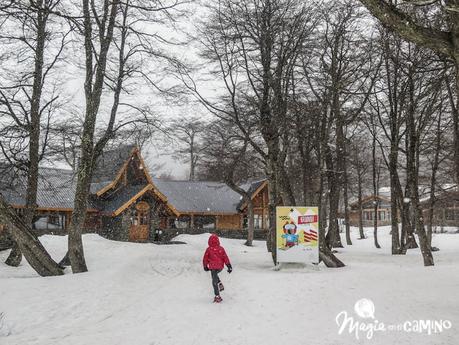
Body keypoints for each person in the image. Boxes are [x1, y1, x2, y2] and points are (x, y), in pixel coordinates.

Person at [202, 234, 232, 303]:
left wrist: (205, 266)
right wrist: (229, 266)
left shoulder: (209, 249)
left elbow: (205, 258)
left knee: (214, 281)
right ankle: (220, 284)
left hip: (213, 267)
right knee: (214, 276)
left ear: (209, 241)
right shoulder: (221, 249)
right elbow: (225, 257)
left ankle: (217, 296)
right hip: (220, 267)